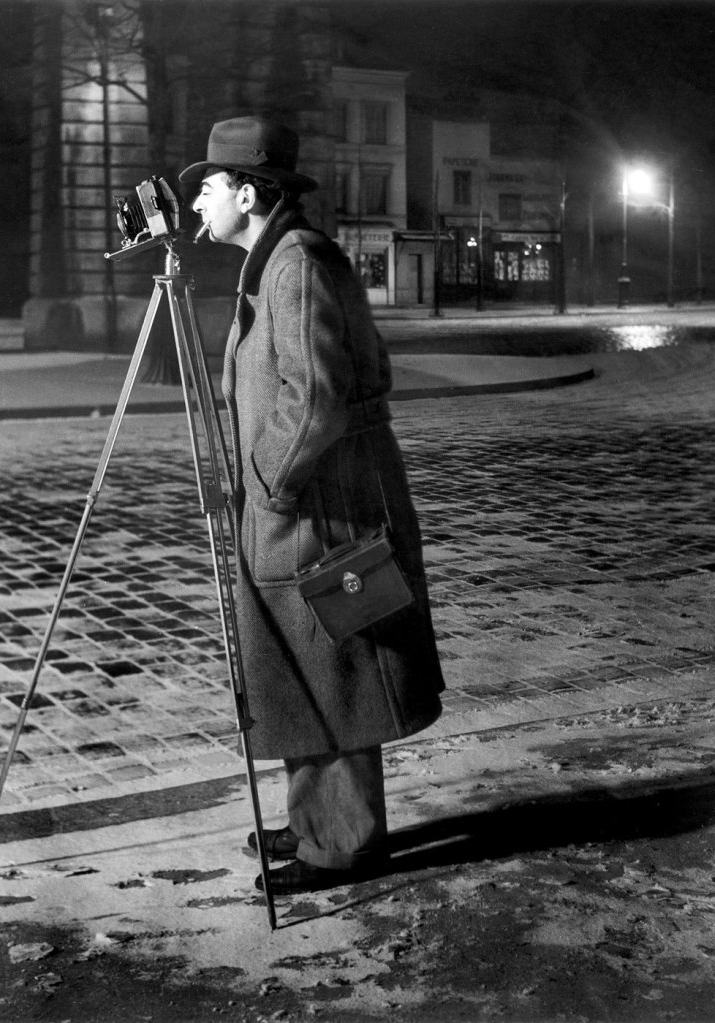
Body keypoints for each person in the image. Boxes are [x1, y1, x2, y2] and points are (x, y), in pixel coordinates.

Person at [179, 116, 445, 895]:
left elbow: (316, 396)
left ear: (250, 192)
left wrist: (269, 485)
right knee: (299, 666)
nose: (198, 201)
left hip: (313, 506)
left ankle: (341, 841)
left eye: (209, 186)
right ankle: (313, 816)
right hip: (299, 501)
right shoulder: (274, 261)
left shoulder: (295, 263)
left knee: (334, 670)